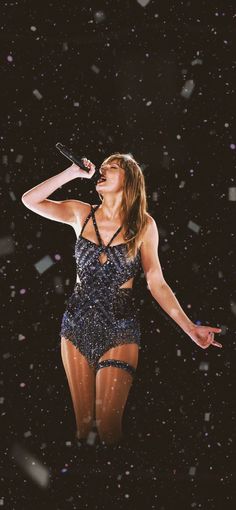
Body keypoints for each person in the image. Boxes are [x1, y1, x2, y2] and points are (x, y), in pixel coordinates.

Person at [21, 153, 222, 445]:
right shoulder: (81, 213)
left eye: (110, 168)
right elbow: (30, 201)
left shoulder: (143, 225)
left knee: (108, 428)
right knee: (83, 430)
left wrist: (190, 328)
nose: (101, 171)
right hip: (75, 325)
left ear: (128, 179)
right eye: (100, 169)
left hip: (120, 327)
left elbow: (156, 282)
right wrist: (72, 173)